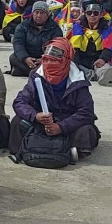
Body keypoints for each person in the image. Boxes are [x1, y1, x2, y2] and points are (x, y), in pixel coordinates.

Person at [9, 38, 99, 166]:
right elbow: (20, 102)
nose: (49, 64)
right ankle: (25, 149)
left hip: (67, 123)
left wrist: (61, 127)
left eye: (55, 61)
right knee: (18, 122)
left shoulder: (78, 81)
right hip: (42, 121)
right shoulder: (36, 76)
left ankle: (71, 150)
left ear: (66, 60)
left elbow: (86, 112)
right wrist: (36, 116)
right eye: (46, 60)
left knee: (86, 130)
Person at [9, 1, 63, 77]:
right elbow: (18, 44)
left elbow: (57, 46)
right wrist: (26, 58)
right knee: (13, 58)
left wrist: (44, 59)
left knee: (60, 62)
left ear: (47, 15)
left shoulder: (55, 28)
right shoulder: (23, 26)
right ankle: (39, 72)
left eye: (42, 13)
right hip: (28, 57)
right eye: (36, 12)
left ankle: (26, 71)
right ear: (32, 13)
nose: (39, 15)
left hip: (46, 59)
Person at [71, 0, 112, 86]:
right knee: (71, 66)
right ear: (85, 14)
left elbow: (109, 47)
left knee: (104, 68)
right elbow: (74, 46)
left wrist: (102, 59)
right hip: (81, 58)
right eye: (89, 13)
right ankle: (92, 75)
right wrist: (75, 62)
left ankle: (102, 75)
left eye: (95, 13)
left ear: (100, 15)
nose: (92, 15)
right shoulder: (78, 26)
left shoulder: (107, 29)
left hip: (98, 59)